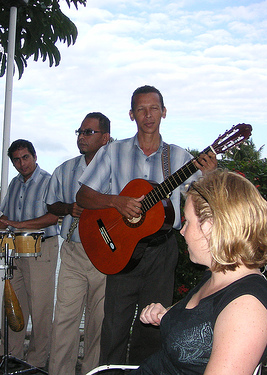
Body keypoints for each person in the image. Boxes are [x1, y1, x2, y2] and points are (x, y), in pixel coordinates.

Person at [76, 85, 217, 369]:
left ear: (164, 112)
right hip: (121, 250)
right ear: (131, 114)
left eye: (154, 108)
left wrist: (211, 175)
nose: (148, 115)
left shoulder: (179, 158)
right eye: (141, 109)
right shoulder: (112, 152)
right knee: (114, 328)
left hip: (161, 252)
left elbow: (205, 202)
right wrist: (116, 202)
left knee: (151, 329)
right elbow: (83, 197)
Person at [129, 169, 267, 375]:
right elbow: (203, 330)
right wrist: (167, 316)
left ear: (210, 227)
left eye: (187, 221)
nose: (182, 231)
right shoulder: (217, 276)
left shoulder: (246, 308)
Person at [46, 113, 111, 375]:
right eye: (80, 132)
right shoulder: (64, 169)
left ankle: (92, 372)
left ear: (105, 138)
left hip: (106, 256)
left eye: (88, 132)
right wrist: (69, 208)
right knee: (64, 320)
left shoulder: (117, 168)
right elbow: (51, 204)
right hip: (73, 252)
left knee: (99, 324)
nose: (82, 137)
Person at [0, 139, 60, 368]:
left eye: (25, 157)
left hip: (41, 249)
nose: (22, 164)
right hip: (16, 251)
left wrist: (20, 225)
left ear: (35, 156)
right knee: (13, 304)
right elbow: (4, 219)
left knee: (40, 308)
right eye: (17, 160)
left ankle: (36, 362)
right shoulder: (14, 184)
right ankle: (11, 354)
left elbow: (53, 217)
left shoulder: (49, 181)